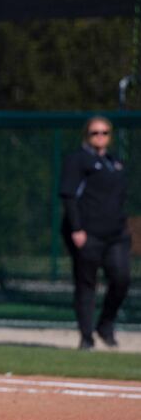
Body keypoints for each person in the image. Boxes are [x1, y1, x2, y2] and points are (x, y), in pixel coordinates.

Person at [59, 116, 131, 350]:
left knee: (121, 278)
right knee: (86, 284)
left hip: (115, 234)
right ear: (86, 135)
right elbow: (69, 197)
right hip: (88, 234)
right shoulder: (77, 160)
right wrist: (77, 228)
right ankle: (86, 337)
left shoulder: (115, 162)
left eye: (105, 133)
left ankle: (105, 324)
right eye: (95, 133)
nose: (100, 137)